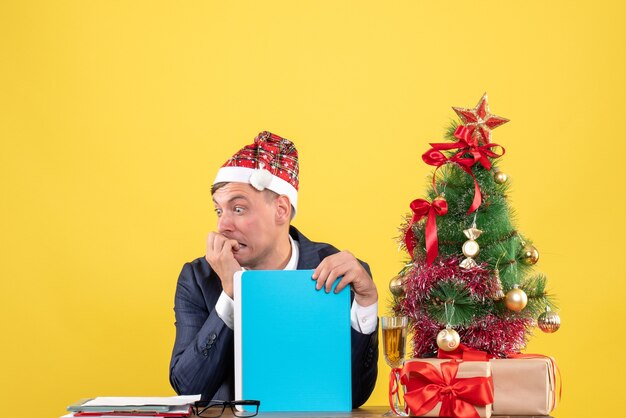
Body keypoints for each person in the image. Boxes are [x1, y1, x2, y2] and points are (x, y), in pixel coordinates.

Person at [169, 131, 379, 408]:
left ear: (280, 209)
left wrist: (366, 304)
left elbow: (355, 394)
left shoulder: (338, 272)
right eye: (219, 211)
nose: (223, 226)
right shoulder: (198, 278)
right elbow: (188, 390)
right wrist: (232, 294)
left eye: (239, 209)